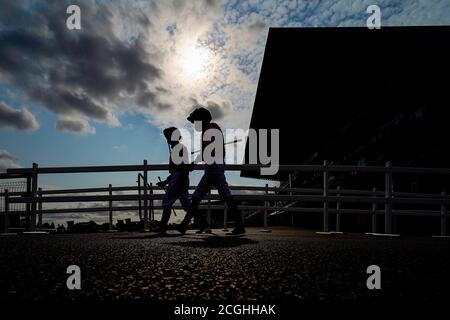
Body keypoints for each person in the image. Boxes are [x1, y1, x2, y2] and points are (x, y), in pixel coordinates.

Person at [176, 107, 246, 235]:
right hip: (212, 167)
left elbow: (208, 152)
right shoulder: (209, 129)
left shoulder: (210, 129)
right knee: (199, 196)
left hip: (214, 167)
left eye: (195, 121)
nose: (194, 124)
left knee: (219, 195)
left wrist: (194, 163)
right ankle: (184, 224)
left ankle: (239, 224)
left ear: (201, 120)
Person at [156, 127, 191, 235]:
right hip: (183, 180)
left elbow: (178, 169)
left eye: (167, 137)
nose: (167, 139)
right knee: (187, 205)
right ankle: (203, 223)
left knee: (167, 202)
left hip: (178, 180)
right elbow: (181, 168)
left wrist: (168, 181)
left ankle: (162, 228)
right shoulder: (180, 148)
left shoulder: (178, 149)